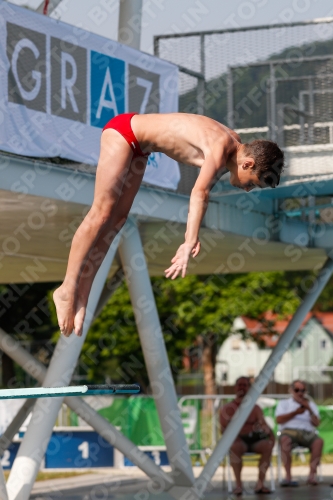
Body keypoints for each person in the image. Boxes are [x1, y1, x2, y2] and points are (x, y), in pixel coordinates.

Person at [53, 112, 284, 337]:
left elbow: (204, 194)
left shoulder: (232, 148)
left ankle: (82, 292)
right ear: (247, 164)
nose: (247, 190)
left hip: (140, 149)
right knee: (102, 212)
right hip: (124, 132)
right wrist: (189, 241)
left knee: (117, 220)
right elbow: (199, 192)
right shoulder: (223, 145)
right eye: (252, 184)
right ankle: (67, 288)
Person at [220, 376, 275, 495]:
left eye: (244, 385)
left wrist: (271, 436)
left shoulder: (255, 408)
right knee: (235, 447)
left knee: (267, 446)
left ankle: (260, 484)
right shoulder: (228, 408)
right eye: (239, 385)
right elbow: (223, 430)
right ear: (235, 387)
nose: (242, 388)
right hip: (238, 441)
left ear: (249, 388)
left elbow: (264, 425)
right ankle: (238, 486)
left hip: (254, 440)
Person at [275, 379, 323, 487]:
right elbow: (278, 420)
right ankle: (288, 477)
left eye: (303, 390)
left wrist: (309, 409)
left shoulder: (310, 405)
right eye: (297, 390)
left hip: (307, 432)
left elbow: (317, 423)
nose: (300, 393)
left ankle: (311, 476)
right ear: (291, 390)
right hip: (289, 431)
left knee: (318, 442)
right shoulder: (284, 403)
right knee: (284, 440)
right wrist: (295, 412)